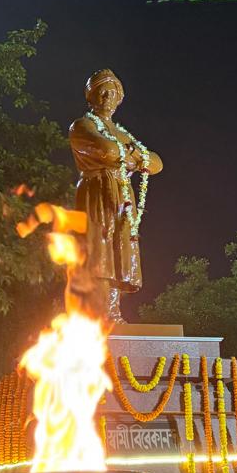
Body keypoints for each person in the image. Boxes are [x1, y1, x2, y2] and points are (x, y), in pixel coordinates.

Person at [68, 69, 163, 324]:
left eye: (113, 92)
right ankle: (96, 313)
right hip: (96, 192)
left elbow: (156, 163)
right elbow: (108, 151)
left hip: (122, 196)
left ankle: (113, 312)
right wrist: (134, 156)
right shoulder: (82, 126)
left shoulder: (121, 133)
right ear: (92, 95)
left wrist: (127, 154)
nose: (108, 96)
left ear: (120, 97)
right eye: (102, 91)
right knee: (99, 251)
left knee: (119, 252)